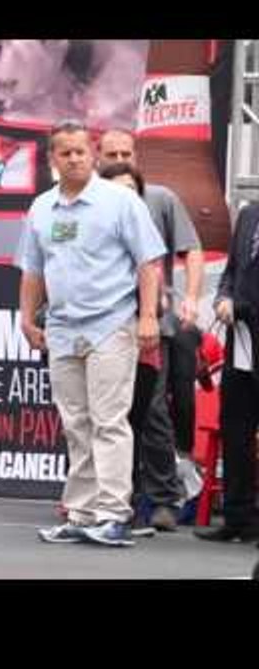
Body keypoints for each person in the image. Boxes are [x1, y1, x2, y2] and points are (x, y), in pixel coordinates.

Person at [16, 120, 165, 548]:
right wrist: (26, 318)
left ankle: (115, 513)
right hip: (61, 328)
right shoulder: (42, 208)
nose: (75, 158)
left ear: (93, 155)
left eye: (81, 151)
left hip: (111, 324)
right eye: (65, 152)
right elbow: (33, 269)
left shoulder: (120, 201)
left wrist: (148, 316)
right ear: (52, 160)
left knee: (109, 420)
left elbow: (148, 264)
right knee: (75, 424)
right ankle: (81, 512)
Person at [97, 130, 203, 532]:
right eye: (112, 153)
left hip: (149, 326)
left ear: (136, 156)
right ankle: (104, 497)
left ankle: (163, 499)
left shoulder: (158, 198)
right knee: (101, 414)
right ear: (99, 157)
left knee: (154, 412)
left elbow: (190, 250)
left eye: (126, 152)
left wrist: (191, 297)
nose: (120, 157)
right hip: (98, 324)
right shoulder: (86, 205)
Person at [194, 202, 259, 543]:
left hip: (250, 322)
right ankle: (238, 518)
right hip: (241, 345)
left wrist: (244, 306)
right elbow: (233, 271)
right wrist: (223, 297)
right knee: (236, 433)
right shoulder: (249, 215)